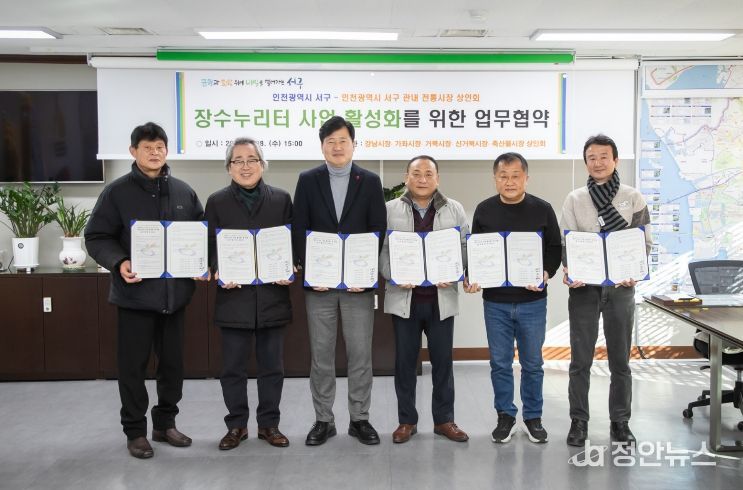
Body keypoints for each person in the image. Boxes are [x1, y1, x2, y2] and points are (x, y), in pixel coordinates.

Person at [85, 122, 206, 459]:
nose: (154, 153)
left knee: (173, 367)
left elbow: (201, 235)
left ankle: (165, 424)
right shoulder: (116, 192)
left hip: (175, 298)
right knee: (132, 368)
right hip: (134, 297)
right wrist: (119, 261)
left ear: (167, 151)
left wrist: (203, 262)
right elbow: (96, 236)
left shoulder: (183, 192)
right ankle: (135, 431)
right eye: (147, 147)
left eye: (160, 147)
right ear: (133, 151)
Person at [291, 116, 386, 446]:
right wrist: (310, 270)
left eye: (342, 140)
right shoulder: (308, 180)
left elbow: (378, 228)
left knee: (360, 354)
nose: (337, 147)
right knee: (321, 355)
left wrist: (366, 272)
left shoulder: (369, 181)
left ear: (353, 144)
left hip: (358, 287)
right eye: (330, 141)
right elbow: (299, 227)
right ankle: (324, 420)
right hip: (320, 286)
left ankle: (360, 419)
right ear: (322, 146)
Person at [560, 134, 651, 447]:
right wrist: (570, 269)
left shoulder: (633, 197)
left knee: (620, 361)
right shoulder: (574, 199)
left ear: (615, 160)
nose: (597, 163)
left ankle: (620, 422)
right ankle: (579, 422)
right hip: (584, 289)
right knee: (580, 361)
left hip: (621, 289)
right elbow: (567, 242)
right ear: (586, 162)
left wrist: (634, 271)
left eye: (603, 156)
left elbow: (643, 242)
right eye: (591, 157)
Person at [465, 152, 561, 444]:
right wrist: (471, 276)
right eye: (503, 176)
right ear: (495, 179)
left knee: (533, 364)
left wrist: (546, 273)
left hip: (533, 302)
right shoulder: (484, 210)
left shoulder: (543, 209)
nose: (509, 182)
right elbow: (477, 250)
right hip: (495, 302)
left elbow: (554, 248)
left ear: (526, 178)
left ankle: (533, 418)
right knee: (500, 363)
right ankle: (505, 416)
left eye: (515, 176)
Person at [204, 137, 293, 450]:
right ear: (229, 168)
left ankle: (269, 425)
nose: (245, 166)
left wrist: (290, 267)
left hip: (272, 297)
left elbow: (291, 243)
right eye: (238, 161)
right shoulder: (216, 202)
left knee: (273, 368)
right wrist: (218, 268)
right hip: (234, 299)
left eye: (251, 160)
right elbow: (209, 245)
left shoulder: (281, 199)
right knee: (232, 369)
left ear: (262, 164)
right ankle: (236, 426)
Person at [380, 155, 470, 444]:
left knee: (443, 363)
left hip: (440, 300)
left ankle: (444, 420)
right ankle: (406, 421)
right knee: (404, 363)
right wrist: (393, 274)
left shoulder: (454, 209)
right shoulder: (389, 209)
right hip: (404, 299)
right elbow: (381, 250)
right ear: (406, 177)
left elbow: (465, 247)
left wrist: (456, 272)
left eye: (428, 174)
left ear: (437, 179)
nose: (422, 179)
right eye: (416, 173)